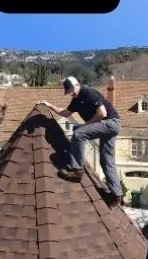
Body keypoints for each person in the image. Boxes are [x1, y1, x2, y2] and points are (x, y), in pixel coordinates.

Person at [41, 76, 123, 207]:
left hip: (111, 122)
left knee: (79, 133)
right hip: (108, 126)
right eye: (69, 92)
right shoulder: (75, 101)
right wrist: (49, 105)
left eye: (72, 90)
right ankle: (116, 195)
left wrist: (86, 125)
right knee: (106, 160)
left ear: (77, 85)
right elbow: (65, 113)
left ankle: (77, 170)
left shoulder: (88, 92)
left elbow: (102, 113)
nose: (71, 93)